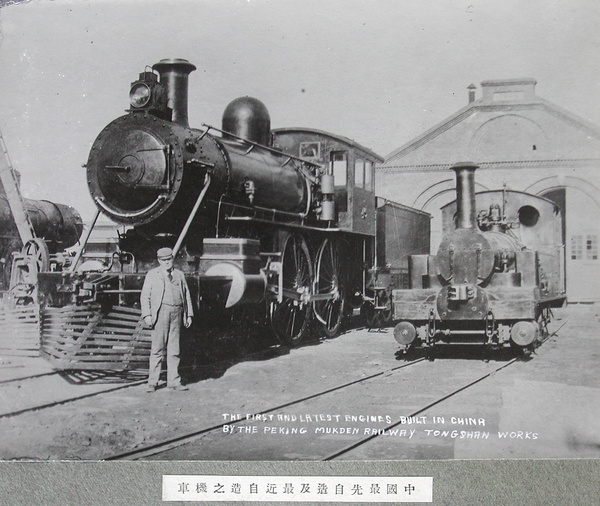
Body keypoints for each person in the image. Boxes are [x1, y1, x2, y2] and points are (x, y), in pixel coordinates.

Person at [141, 247, 193, 392]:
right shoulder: (152, 275)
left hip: (177, 313)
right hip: (161, 313)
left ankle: (174, 381)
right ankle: (152, 382)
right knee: (157, 349)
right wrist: (147, 315)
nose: (166, 263)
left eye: (169, 260)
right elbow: (145, 296)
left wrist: (188, 314)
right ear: (159, 261)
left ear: (173, 259)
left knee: (174, 349)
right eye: (163, 260)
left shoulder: (179, 275)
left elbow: (186, 295)